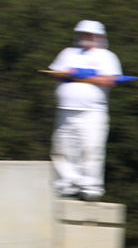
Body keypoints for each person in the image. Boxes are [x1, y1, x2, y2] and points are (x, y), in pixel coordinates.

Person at [48, 20, 122, 200]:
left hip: (92, 112)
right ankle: (67, 184)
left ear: (98, 37)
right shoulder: (68, 53)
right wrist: (67, 74)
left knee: (91, 149)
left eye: (89, 34)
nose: (85, 37)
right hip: (66, 110)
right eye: (82, 34)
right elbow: (55, 74)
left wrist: (82, 74)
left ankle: (91, 186)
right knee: (62, 149)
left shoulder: (106, 56)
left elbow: (109, 80)